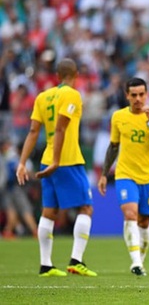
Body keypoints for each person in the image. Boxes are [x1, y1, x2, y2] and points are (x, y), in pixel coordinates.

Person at [16, 58, 97, 277]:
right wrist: (57, 161)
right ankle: (76, 261)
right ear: (76, 74)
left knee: (49, 211)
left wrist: (22, 163)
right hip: (66, 160)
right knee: (86, 208)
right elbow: (61, 127)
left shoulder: (43, 97)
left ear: (57, 75)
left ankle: (45, 265)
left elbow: (33, 132)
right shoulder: (72, 94)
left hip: (46, 158)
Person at [97, 77, 149, 276]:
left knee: (144, 221)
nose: (138, 99)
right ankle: (136, 262)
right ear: (127, 96)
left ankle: (140, 262)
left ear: (146, 95)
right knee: (130, 214)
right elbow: (113, 147)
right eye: (134, 95)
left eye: (141, 94)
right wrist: (104, 174)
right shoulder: (118, 117)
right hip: (125, 174)